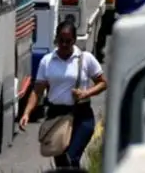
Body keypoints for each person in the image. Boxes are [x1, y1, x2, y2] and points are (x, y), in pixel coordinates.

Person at [19, 20, 108, 169]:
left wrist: (86, 93)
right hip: (57, 116)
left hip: (81, 115)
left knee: (71, 158)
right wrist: (26, 113)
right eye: (61, 40)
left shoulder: (86, 59)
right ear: (56, 39)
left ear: (74, 40)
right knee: (61, 164)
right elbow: (37, 91)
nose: (64, 45)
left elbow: (103, 83)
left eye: (68, 41)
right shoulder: (47, 61)